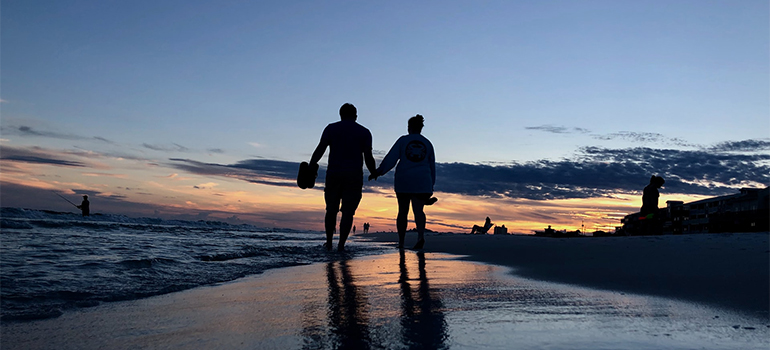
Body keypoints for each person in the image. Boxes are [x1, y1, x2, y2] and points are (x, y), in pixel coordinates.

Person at [310, 103, 378, 252]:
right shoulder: (364, 132)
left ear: (340, 114)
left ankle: (328, 243)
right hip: (353, 175)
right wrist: (374, 172)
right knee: (348, 212)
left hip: (334, 173)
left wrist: (311, 164)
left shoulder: (331, 129)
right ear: (355, 116)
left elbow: (320, 148)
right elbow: (368, 156)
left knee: (331, 210)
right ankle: (341, 246)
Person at [370, 114, 436, 249]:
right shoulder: (428, 143)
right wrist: (430, 187)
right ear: (421, 128)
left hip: (404, 180)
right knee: (419, 211)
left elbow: (391, 158)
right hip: (422, 181)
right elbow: (432, 167)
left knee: (402, 212)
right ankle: (420, 237)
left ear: (409, 127)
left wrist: (379, 171)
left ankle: (401, 242)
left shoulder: (403, 140)